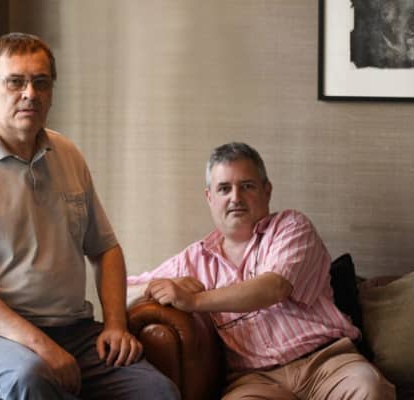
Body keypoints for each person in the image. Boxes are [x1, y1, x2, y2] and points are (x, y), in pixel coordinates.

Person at [0, 32, 179, 400]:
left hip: (70, 329)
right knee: (33, 377)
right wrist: (41, 346)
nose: (30, 93)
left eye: (41, 82)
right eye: (15, 82)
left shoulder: (67, 154)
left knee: (158, 392)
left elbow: (105, 249)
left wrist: (115, 324)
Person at [128, 142, 396, 400]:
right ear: (209, 197)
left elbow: (274, 287)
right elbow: (122, 288)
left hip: (327, 362)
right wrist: (155, 287)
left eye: (247, 186)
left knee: (367, 388)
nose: (235, 198)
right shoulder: (193, 259)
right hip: (255, 379)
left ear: (267, 191)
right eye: (224, 188)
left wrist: (194, 300)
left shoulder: (291, 226)